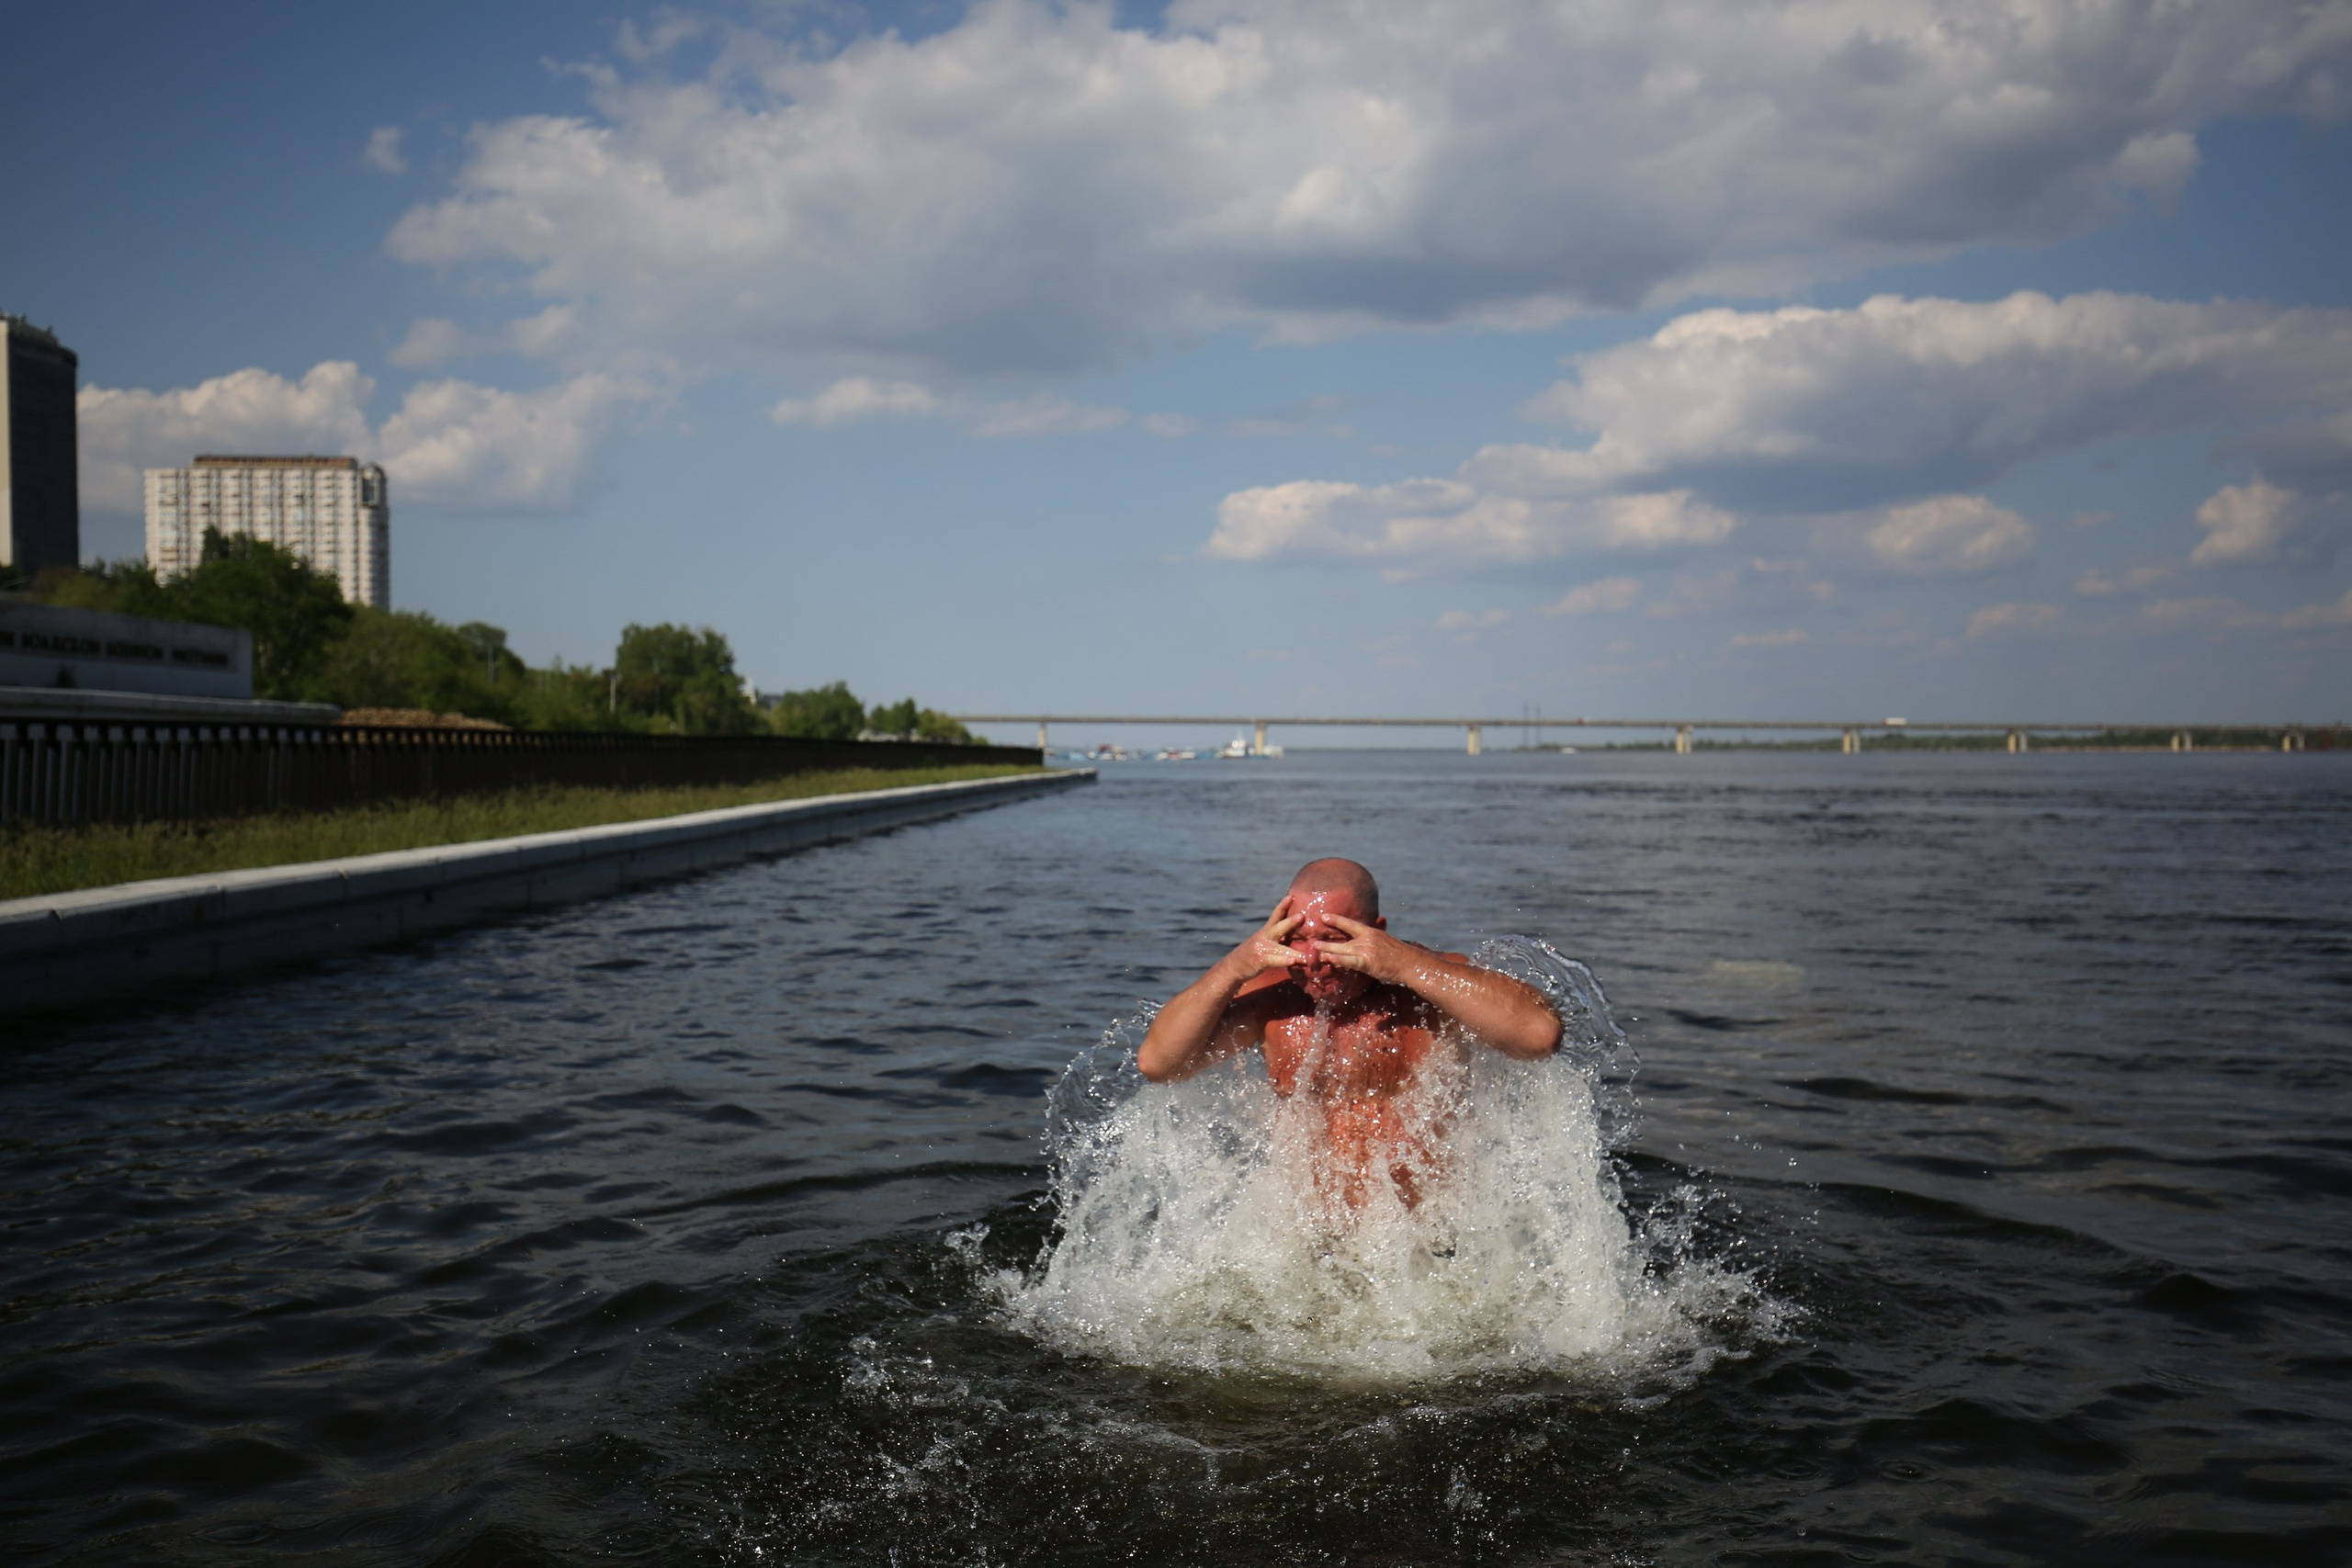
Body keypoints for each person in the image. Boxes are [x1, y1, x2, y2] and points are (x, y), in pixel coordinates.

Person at [1136, 858, 1560, 1208]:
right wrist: (1235, 966)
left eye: (1335, 938)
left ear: (1377, 930)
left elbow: (1540, 1036)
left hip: (1425, 1244)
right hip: (1312, 1246)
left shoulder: (1431, 987)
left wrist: (1407, 965)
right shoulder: (1270, 998)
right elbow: (1159, 1064)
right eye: (1298, 937)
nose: (1314, 958)